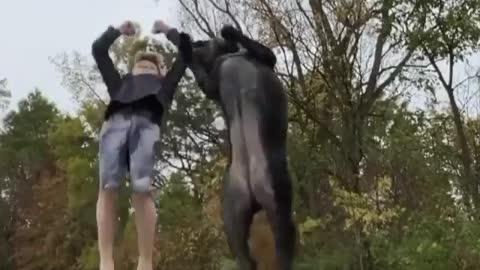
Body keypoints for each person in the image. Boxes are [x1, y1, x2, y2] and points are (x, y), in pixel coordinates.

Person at [91, 19, 190, 270]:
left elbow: (187, 51)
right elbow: (99, 50)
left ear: (162, 71)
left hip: (145, 122)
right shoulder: (120, 84)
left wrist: (169, 31)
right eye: (141, 61)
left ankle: (145, 262)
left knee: (141, 191)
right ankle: (106, 261)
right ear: (132, 69)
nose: (146, 62)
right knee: (108, 188)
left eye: (153, 62)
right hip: (117, 122)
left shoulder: (164, 86)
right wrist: (116, 31)